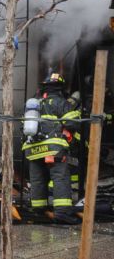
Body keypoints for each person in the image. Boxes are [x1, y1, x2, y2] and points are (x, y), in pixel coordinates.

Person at [22, 72, 81, 225]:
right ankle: (62, 213)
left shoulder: (34, 105)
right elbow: (73, 123)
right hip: (53, 148)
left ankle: (38, 210)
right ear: (60, 88)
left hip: (32, 149)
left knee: (38, 180)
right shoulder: (61, 103)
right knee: (60, 178)